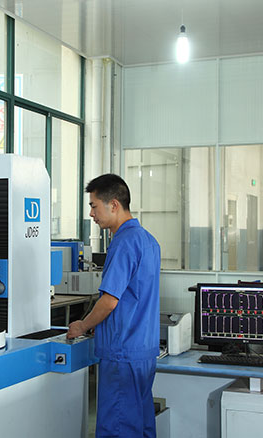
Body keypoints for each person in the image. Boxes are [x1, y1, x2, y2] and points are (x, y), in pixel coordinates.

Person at [67, 173, 161, 438]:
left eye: (94, 206)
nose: (91, 214)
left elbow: (109, 301)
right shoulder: (149, 241)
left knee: (118, 429)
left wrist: (82, 326)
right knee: (140, 426)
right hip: (143, 352)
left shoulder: (124, 242)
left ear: (114, 205)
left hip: (122, 354)